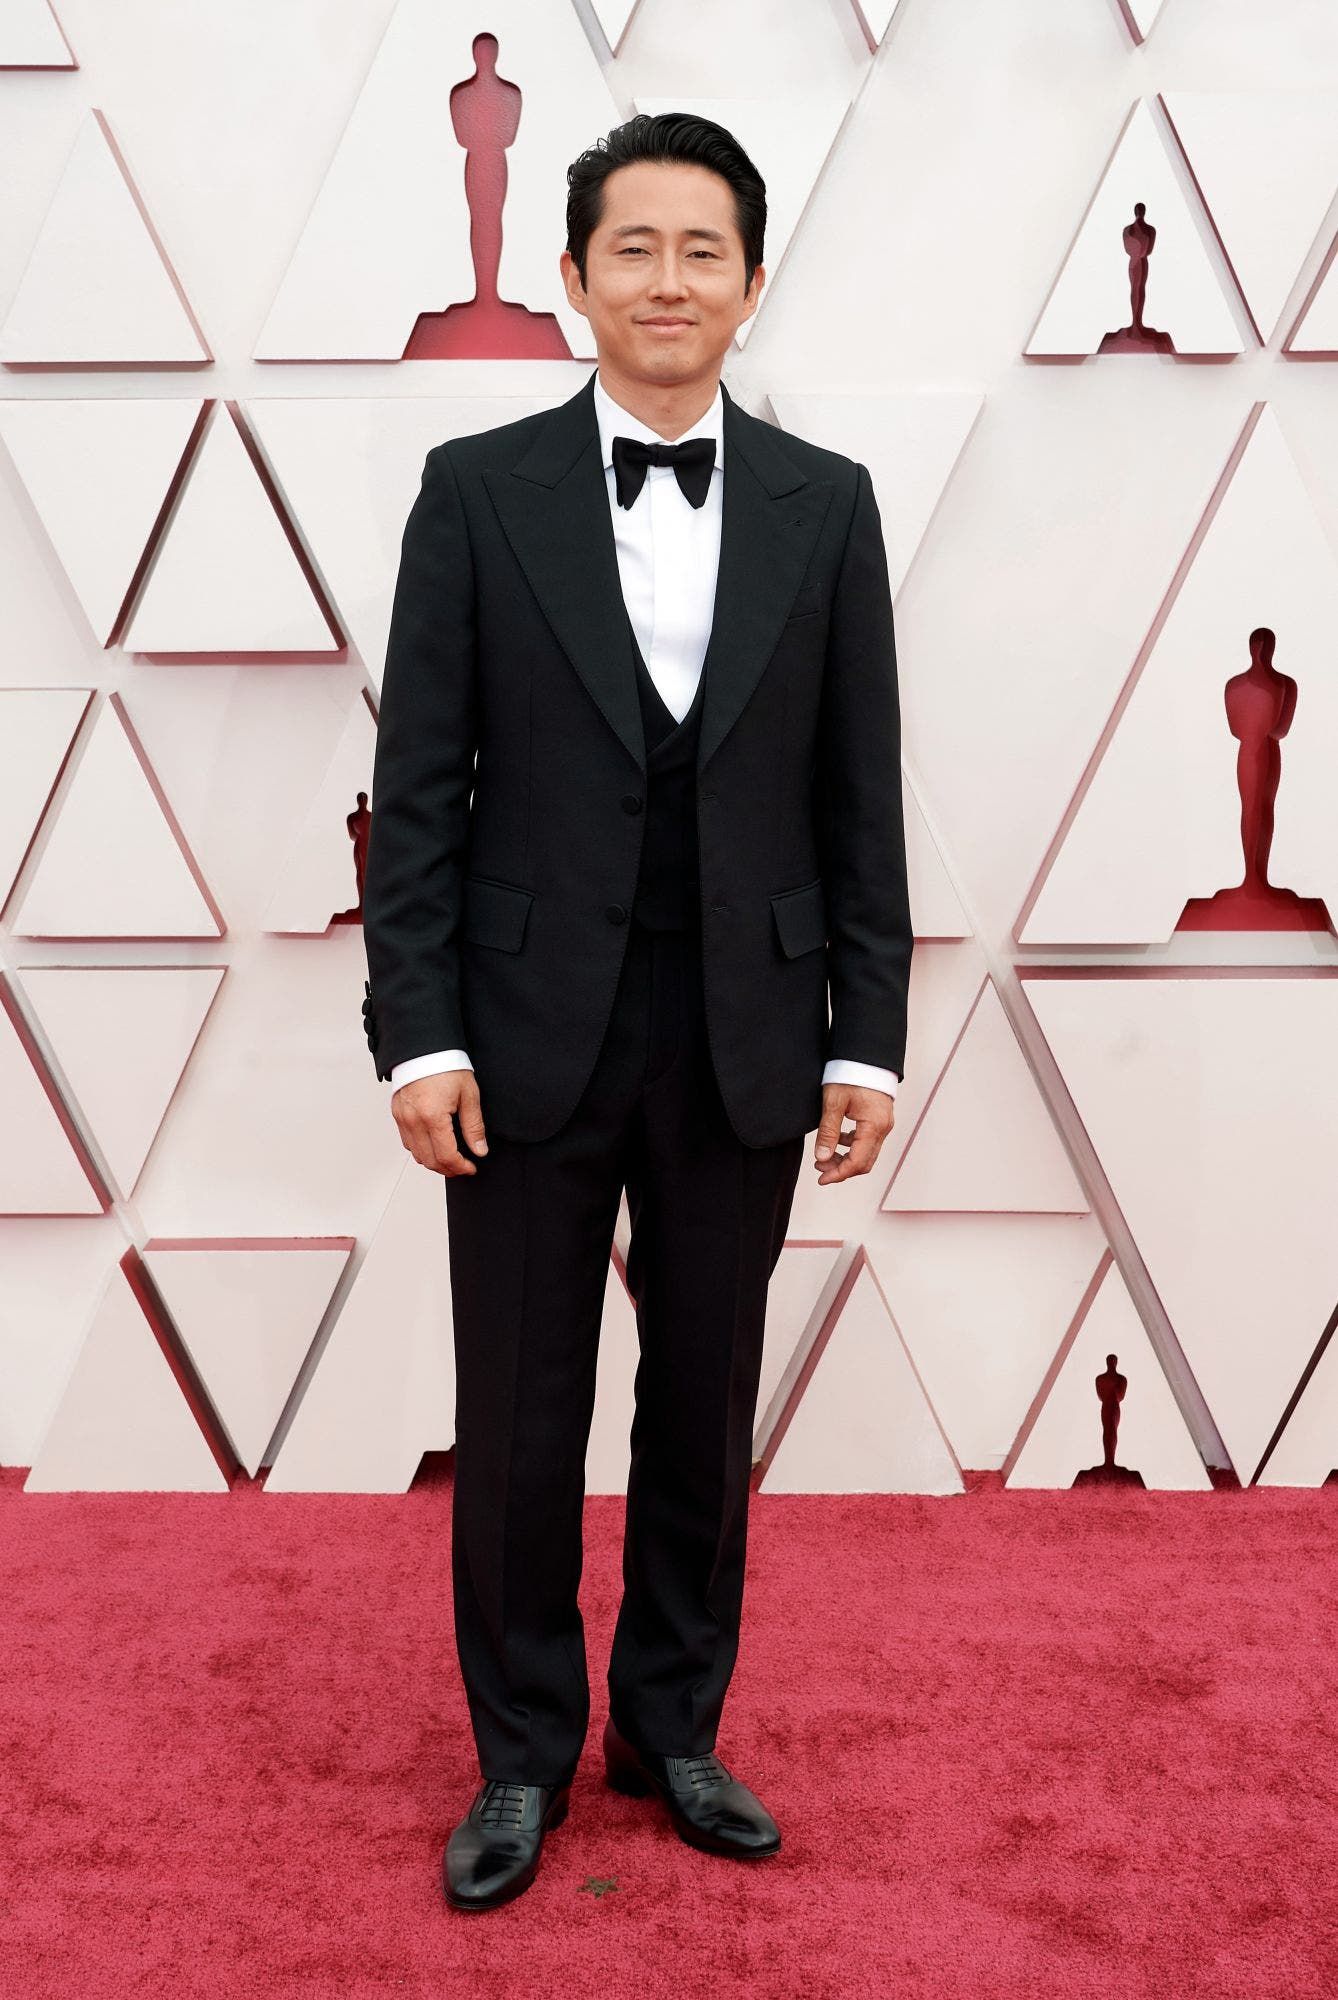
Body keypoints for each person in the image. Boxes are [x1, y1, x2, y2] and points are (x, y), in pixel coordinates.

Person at [360, 111, 912, 1912]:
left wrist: (863, 1033)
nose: (667, 281)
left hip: (746, 1022)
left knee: (702, 1401)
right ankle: (521, 1753)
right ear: (574, 277)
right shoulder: (475, 490)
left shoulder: (829, 502)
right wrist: (419, 1033)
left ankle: (670, 1726)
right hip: (523, 1025)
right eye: (633, 249)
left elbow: (858, 796)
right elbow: (416, 786)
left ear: (750, 285)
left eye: (702, 252)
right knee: (521, 1408)